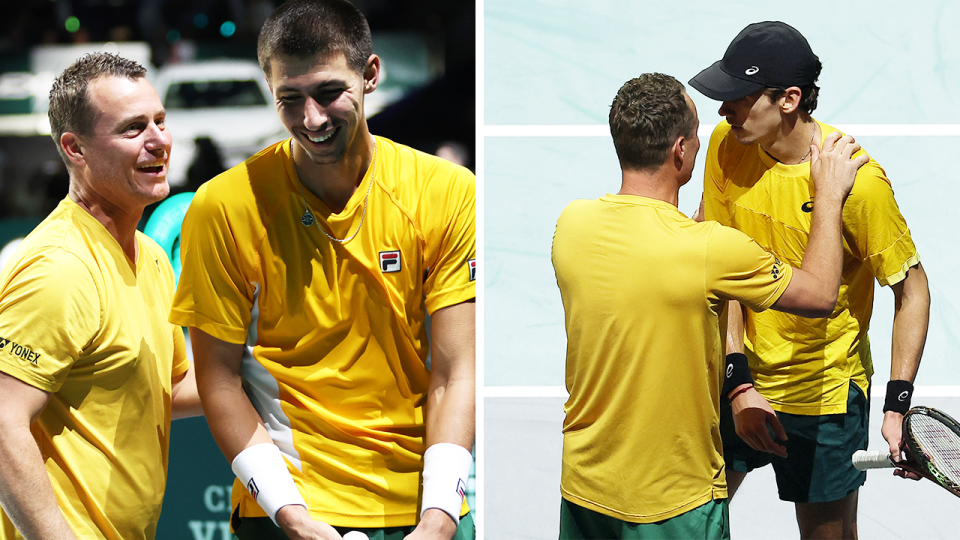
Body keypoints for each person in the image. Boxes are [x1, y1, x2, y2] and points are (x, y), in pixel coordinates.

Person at [168, 1, 476, 539]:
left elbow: (456, 371)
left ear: (371, 74)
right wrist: (293, 517)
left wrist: (440, 517)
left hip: (422, 511)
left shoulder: (447, 192)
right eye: (290, 98)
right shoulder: (223, 207)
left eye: (329, 92)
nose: (311, 118)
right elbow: (218, 379)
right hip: (286, 510)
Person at [551, 73, 868, 540]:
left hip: (583, 492)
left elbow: (654, 261)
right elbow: (821, 293)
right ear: (681, 150)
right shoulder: (709, 251)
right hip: (675, 504)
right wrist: (827, 195)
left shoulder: (571, 225)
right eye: (698, 133)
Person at [689, 21, 930, 539]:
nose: (722, 109)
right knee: (693, 526)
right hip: (737, 382)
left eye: (739, 96)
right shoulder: (726, 147)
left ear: (789, 99)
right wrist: (737, 380)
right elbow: (719, 269)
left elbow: (911, 290)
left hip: (822, 399)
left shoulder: (859, 184)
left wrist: (896, 406)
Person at [0, 52, 201, 540]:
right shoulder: (60, 267)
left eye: (160, 121)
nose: (159, 141)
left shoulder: (150, 255)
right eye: (133, 129)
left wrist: (283, 368)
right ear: (75, 148)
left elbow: (167, 386)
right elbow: (2, 422)